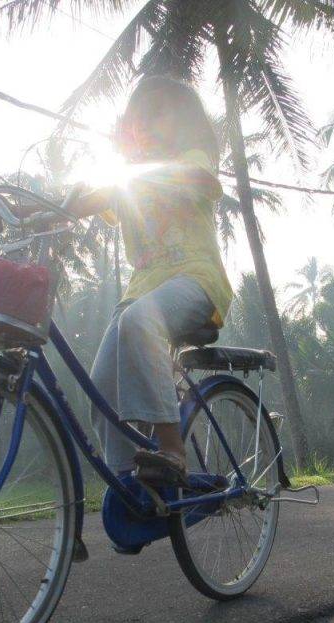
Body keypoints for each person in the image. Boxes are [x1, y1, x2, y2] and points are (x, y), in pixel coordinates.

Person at [50, 76, 232, 486]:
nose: (146, 123)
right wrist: (29, 209)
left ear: (183, 123)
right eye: (139, 116)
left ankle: (172, 448)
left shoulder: (193, 158)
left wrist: (151, 172)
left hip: (195, 281)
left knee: (139, 320)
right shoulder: (125, 182)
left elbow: (202, 180)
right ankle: (129, 485)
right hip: (139, 293)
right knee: (101, 388)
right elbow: (80, 203)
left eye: (158, 113)